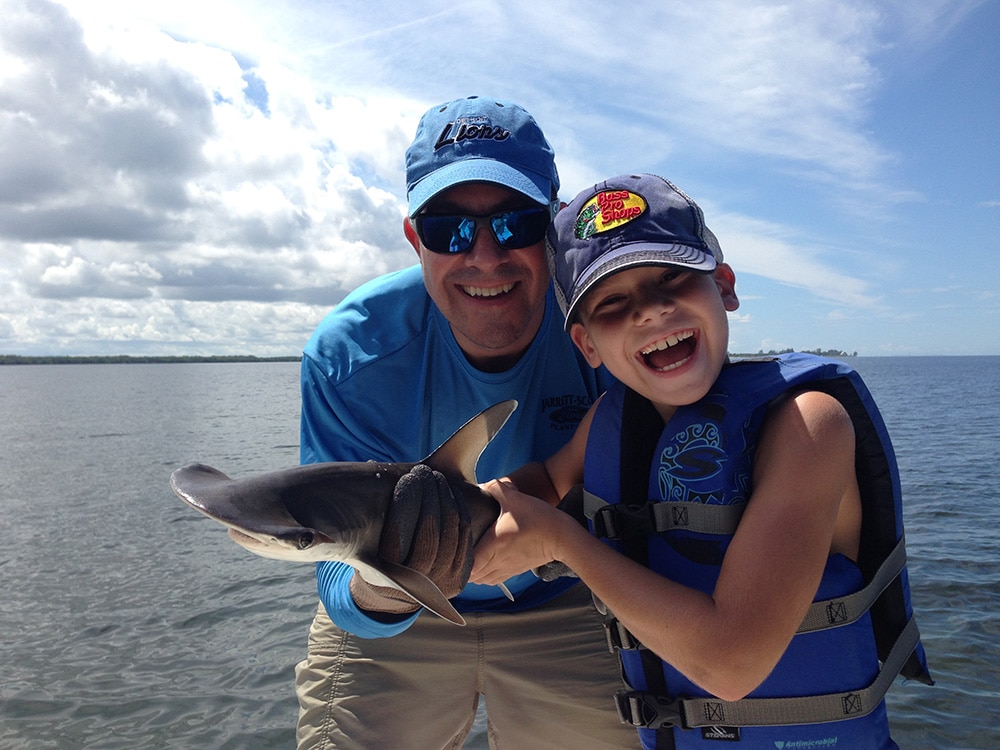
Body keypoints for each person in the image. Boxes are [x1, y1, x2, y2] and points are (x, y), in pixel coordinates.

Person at [471, 173, 933, 749]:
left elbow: (732, 665)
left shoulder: (809, 426)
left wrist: (562, 542)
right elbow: (543, 478)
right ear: (587, 345)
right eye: (613, 302)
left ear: (725, 285)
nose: (651, 311)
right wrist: (476, 509)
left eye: (672, 277)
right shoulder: (612, 423)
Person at [294, 97, 637, 749]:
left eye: (516, 224)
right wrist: (395, 585)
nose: (485, 255)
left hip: (568, 592)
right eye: (449, 229)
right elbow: (337, 578)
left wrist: (566, 540)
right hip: (392, 622)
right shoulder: (348, 358)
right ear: (413, 237)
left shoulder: (608, 323)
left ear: (556, 226)